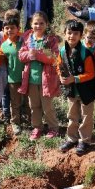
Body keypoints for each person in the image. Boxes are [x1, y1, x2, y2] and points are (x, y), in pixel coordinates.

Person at [18, 11, 60, 140]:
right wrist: (29, 55)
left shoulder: (50, 40)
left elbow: (54, 58)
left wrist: (38, 55)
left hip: (46, 79)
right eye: (36, 23)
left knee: (47, 106)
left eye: (41, 23)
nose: (38, 26)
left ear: (46, 24)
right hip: (31, 79)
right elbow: (21, 55)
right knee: (34, 105)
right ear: (31, 24)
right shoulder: (28, 39)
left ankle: (53, 128)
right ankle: (37, 127)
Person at [57, 20, 95, 156]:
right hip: (71, 90)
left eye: (75, 33)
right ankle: (72, 138)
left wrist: (75, 78)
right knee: (72, 115)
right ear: (64, 34)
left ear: (81, 36)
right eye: (69, 33)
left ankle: (84, 140)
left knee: (86, 116)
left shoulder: (85, 53)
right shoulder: (62, 51)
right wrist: (61, 76)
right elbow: (59, 65)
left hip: (86, 90)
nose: (71, 36)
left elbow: (91, 74)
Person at [0, 13, 23, 134]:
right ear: (3, 30)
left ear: (18, 29)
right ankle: (15, 123)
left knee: (28, 101)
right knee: (15, 102)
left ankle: (32, 121)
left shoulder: (24, 41)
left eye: (12, 27)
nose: (10, 30)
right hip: (13, 77)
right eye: (7, 28)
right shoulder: (4, 45)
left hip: (28, 77)